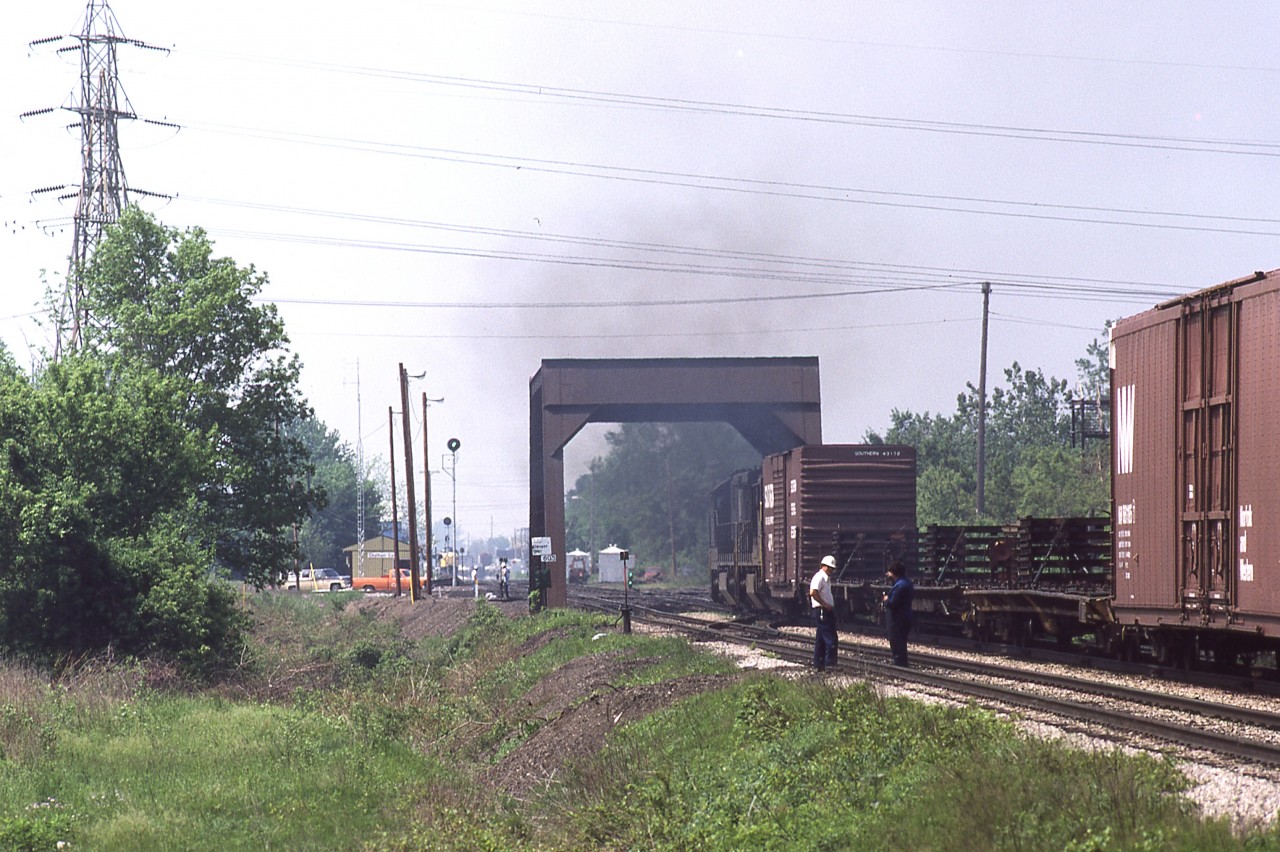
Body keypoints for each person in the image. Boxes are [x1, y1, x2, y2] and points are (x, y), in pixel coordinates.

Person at [883, 561, 915, 667]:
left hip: (897, 619)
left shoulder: (899, 586)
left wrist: (886, 599)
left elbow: (892, 602)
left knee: (896, 642)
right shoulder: (907, 583)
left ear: (894, 573)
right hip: (906, 616)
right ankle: (903, 663)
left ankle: (899, 665)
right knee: (902, 642)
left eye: (889, 572)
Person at [809, 554, 838, 671]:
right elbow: (813, 592)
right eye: (829, 568)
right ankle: (830, 665)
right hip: (822, 610)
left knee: (820, 639)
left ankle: (818, 665)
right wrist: (825, 604)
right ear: (823, 566)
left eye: (832, 568)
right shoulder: (819, 577)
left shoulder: (825, 578)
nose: (831, 570)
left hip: (824, 610)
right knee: (830, 638)